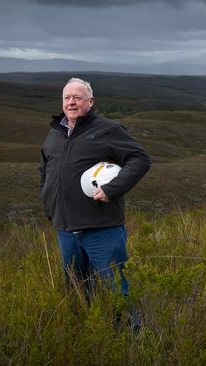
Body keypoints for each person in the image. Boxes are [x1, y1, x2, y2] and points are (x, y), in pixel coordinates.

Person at [39, 77, 150, 328]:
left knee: (116, 286)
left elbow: (140, 159)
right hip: (66, 230)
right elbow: (44, 171)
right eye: (67, 97)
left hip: (102, 229)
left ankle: (131, 338)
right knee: (77, 289)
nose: (71, 102)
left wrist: (112, 189)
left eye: (77, 97)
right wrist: (50, 207)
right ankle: (89, 334)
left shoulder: (108, 129)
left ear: (90, 101)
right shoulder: (54, 135)